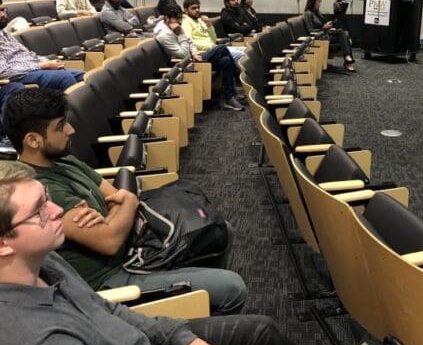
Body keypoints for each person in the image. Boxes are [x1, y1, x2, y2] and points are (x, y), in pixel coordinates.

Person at [0, 159, 331, 345]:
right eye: (39, 210)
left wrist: (177, 336)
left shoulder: (47, 262)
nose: (58, 211)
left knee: (263, 332)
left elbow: (108, 311)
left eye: (48, 198)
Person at [3, 88, 247, 315]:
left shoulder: (63, 160)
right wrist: (126, 204)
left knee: (219, 230)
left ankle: (196, 309)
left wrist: (118, 210)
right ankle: (200, 329)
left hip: (135, 247)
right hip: (113, 279)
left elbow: (117, 195)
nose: (71, 130)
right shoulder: (42, 189)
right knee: (233, 288)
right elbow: (109, 240)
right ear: (33, 140)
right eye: (60, 126)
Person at [155, 5, 244, 111]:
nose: (178, 22)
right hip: (184, 65)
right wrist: (181, 34)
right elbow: (183, 54)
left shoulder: (174, 25)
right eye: (176, 19)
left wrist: (194, 52)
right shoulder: (164, 34)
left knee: (226, 61)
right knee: (222, 48)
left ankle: (228, 97)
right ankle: (238, 80)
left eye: (179, 19)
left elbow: (190, 42)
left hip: (193, 58)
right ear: (167, 18)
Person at [0, 3, 84, 89]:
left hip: (35, 68)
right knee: (65, 78)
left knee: (82, 76)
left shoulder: (4, 33)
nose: (2, 14)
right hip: (19, 76)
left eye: (2, 10)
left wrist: (47, 62)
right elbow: (4, 72)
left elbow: (27, 54)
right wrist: (44, 65)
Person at [181, 0, 245, 69]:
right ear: (186, 10)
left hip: (213, 49)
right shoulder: (186, 22)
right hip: (202, 52)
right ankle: (240, 76)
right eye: (193, 8)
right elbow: (189, 41)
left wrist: (209, 25)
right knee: (241, 54)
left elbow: (213, 39)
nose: (197, 10)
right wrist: (211, 47)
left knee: (228, 59)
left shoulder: (200, 21)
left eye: (198, 7)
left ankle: (231, 80)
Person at [304, 0, 356, 72]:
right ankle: (348, 60)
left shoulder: (317, 13)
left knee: (342, 32)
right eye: (318, 1)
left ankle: (347, 57)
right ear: (312, 1)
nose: (320, 3)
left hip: (325, 34)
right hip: (319, 38)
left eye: (320, 1)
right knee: (344, 35)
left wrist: (327, 25)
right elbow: (310, 31)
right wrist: (323, 28)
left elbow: (322, 26)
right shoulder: (308, 13)